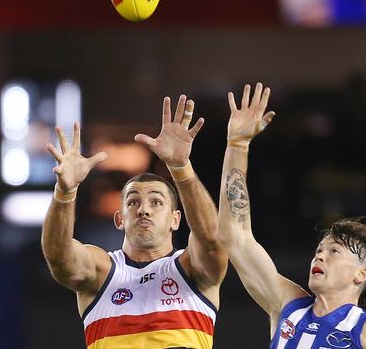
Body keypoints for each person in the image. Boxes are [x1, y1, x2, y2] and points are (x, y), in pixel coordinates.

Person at [218, 83, 366, 349]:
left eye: (334, 251)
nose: (319, 255)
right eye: (319, 249)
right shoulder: (287, 307)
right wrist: (237, 145)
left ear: (362, 274)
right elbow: (234, 237)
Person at [41, 95, 227, 349]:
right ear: (119, 219)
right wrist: (65, 193)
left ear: (176, 219)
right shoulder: (103, 270)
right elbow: (58, 256)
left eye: (156, 202)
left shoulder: (191, 268)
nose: (144, 210)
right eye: (133, 202)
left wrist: (181, 167)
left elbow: (213, 242)